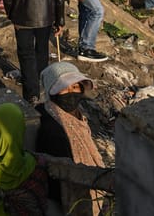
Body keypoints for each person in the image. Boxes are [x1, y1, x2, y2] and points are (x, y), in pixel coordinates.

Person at [36, 62, 106, 216]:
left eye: (75, 87)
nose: (71, 93)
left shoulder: (77, 117)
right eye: (64, 89)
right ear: (52, 92)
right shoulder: (52, 129)